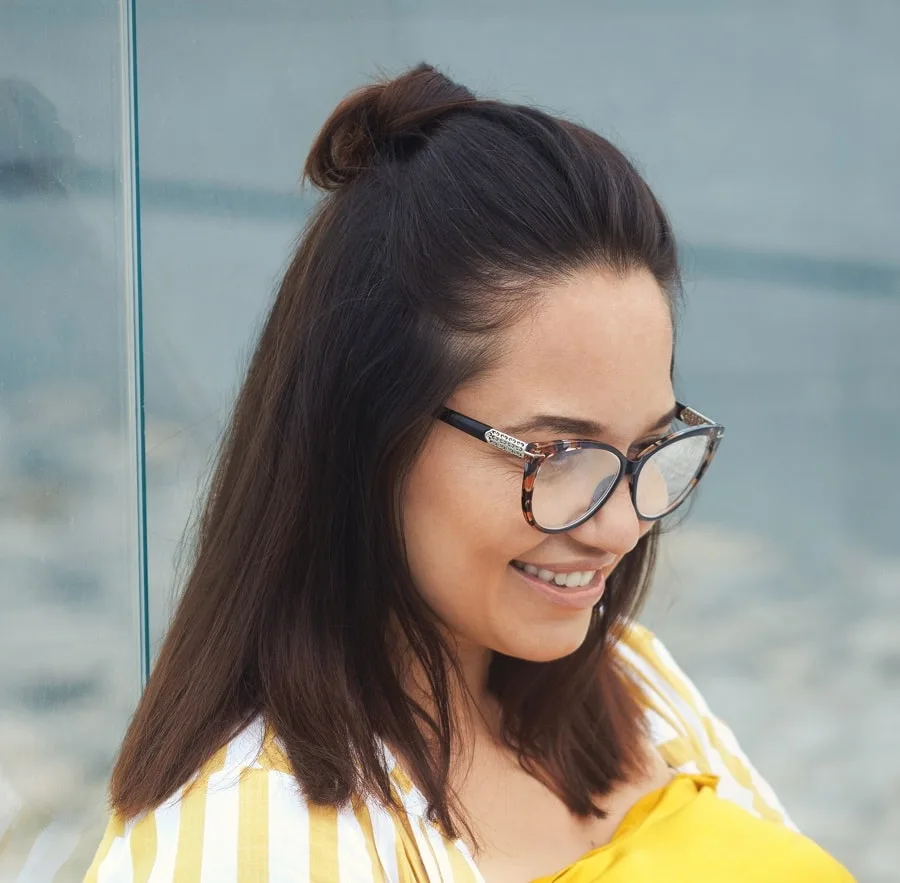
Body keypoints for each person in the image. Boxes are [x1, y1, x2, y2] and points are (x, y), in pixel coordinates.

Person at [84, 63, 855, 882]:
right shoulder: (252, 845)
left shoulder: (630, 681)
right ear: (370, 430)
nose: (624, 525)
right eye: (558, 453)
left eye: (649, 449)